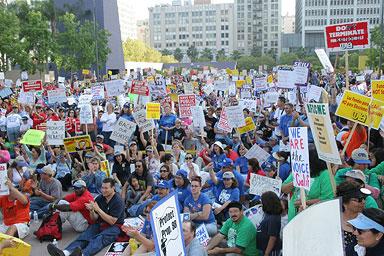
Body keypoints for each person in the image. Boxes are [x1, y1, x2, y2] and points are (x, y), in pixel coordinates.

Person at [47, 178, 125, 256]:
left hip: (115, 226)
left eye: (106, 188)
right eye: (102, 187)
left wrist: (98, 209)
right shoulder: (100, 198)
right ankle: (65, 253)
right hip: (100, 223)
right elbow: (94, 218)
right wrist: (92, 211)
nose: (103, 190)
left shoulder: (118, 201)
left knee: (99, 239)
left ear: (113, 188)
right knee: (85, 236)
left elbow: (112, 221)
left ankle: (82, 254)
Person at [282, 145, 334, 221]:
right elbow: (284, 189)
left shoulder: (325, 175)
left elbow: (327, 199)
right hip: (294, 216)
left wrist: (305, 202)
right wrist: (297, 180)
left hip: (313, 218)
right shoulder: (299, 169)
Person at [337, 181, 371, 256]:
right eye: (357, 200)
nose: (363, 202)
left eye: (363, 198)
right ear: (344, 202)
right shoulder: (333, 219)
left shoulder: (368, 220)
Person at [257, 191, 282, 256]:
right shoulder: (268, 214)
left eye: (262, 201)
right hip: (263, 248)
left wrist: (266, 253)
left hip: (271, 251)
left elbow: (272, 237)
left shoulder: (273, 217)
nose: (261, 203)